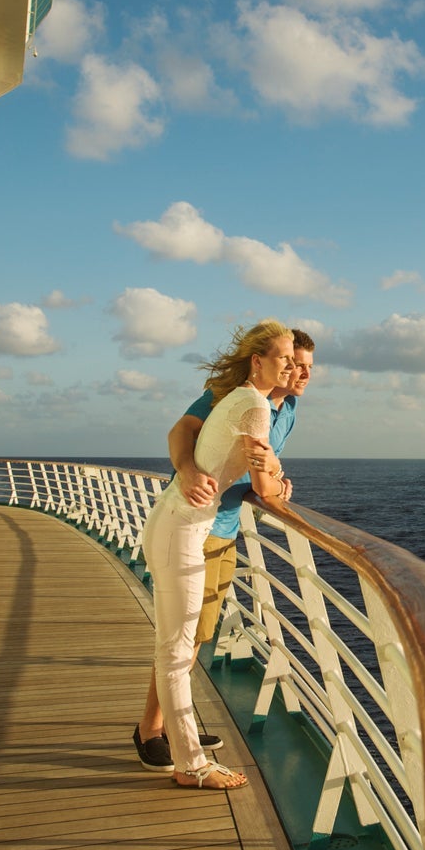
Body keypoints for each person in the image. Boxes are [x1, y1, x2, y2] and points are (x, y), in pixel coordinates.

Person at [130, 331, 315, 772]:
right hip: (199, 524)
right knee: (184, 638)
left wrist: (276, 477)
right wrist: (189, 469)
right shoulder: (236, 397)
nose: (301, 372)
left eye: (307, 366)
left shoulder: (286, 409)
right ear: (264, 361)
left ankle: (176, 724)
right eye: (294, 361)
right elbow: (183, 431)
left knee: (198, 633)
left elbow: (263, 470)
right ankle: (151, 729)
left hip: (225, 526)